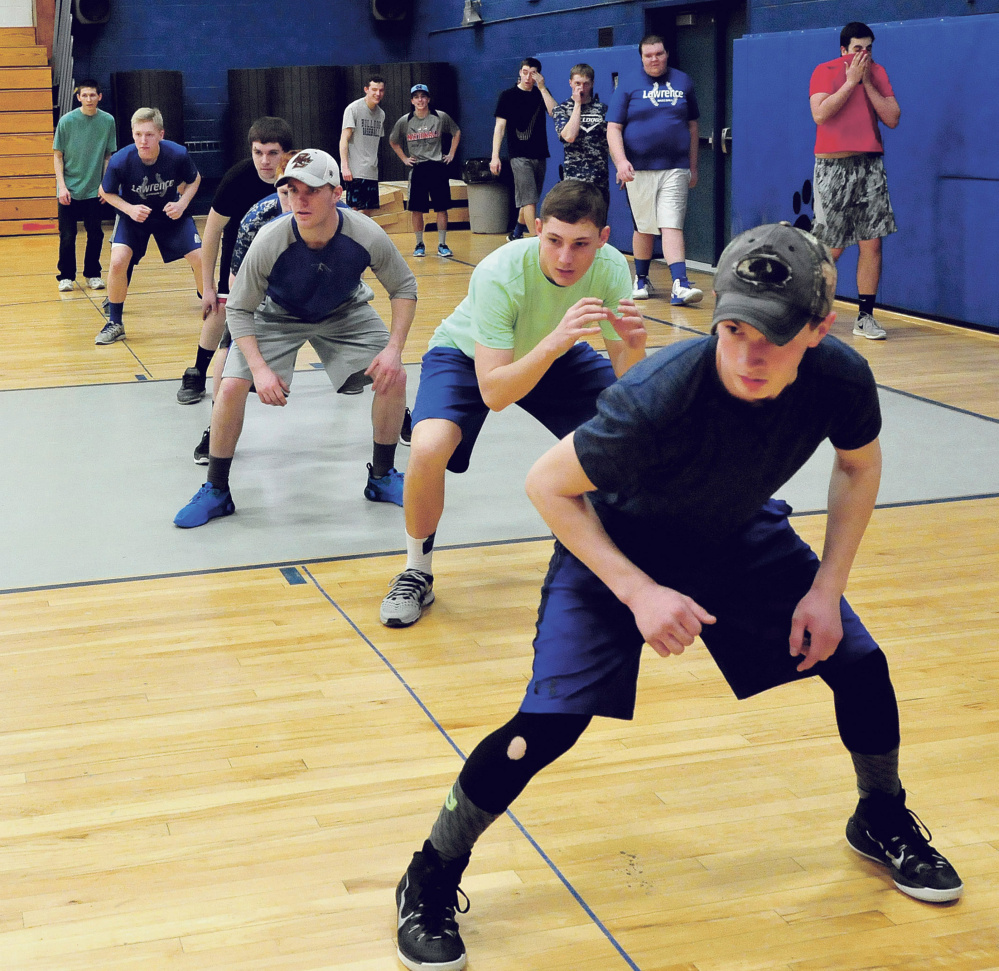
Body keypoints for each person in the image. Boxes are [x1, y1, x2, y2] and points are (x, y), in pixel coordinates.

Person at [392, 221, 964, 971]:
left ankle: (880, 814)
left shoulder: (840, 378)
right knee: (549, 723)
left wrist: (827, 588)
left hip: (735, 532)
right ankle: (430, 870)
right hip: (617, 542)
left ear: (819, 329)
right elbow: (546, 485)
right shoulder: (660, 392)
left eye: (774, 336)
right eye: (732, 329)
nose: (748, 355)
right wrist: (636, 592)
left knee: (858, 663)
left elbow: (857, 467)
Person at [379, 179, 647, 628]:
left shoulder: (612, 269)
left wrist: (635, 348)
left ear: (603, 239)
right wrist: (557, 341)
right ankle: (416, 571)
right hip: (470, 357)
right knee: (429, 448)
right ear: (537, 227)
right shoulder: (499, 272)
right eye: (554, 240)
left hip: (555, 353)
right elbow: (496, 393)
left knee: (633, 433)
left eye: (581, 244)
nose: (565, 257)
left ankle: (620, 557)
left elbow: (632, 390)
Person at [173, 149, 416, 528]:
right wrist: (260, 371)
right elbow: (237, 309)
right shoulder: (271, 238)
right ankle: (216, 490)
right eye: (291, 190)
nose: (299, 201)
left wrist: (394, 350)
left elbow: (403, 287)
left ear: (336, 193)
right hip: (277, 314)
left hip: (344, 311)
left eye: (311, 191)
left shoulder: (365, 233)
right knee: (233, 386)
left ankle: (382, 477)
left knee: (394, 375)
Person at [177, 116, 294, 405]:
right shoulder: (237, 178)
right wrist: (207, 287)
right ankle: (197, 372)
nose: (264, 161)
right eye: (258, 152)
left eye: (272, 153)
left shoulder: (297, 179)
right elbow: (213, 231)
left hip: (282, 257)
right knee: (221, 309)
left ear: (286, 154)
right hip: (239, 254)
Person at [191, 153, 296, 466]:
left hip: (318, 298)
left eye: (303, 191)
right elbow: (238, 283)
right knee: (229, 350)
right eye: (285, 193)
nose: (293, 201)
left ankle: (399, 414)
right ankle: (215, 426)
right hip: (266, 298)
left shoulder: (337, 217)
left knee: (379, 354)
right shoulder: (257, 218)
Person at [810, 22, 900, 341]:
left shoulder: (878, 73)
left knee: (872, 242)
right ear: (844, 50)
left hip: (870, 165)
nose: (864, 54)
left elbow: (892, 117)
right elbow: (820, 114)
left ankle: (865, 317)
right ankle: (808, 312)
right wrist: (850, 83)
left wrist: (867, 84)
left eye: (869, 48)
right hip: (833, 166)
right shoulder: (825, 71)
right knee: (831, 248)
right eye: (858, 48)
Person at [607, 34, 702, 306]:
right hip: (639, 170)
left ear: (666, 53)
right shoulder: (628, 84)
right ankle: (641, 277)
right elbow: (613, 127)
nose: (654, 60)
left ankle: (680, 284)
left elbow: (693, 127)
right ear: (641, 58)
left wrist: (693, 166)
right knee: (645, 227)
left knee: (671, 222)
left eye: (658, 54)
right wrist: (621, 161)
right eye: (648, 56)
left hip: (675, 167)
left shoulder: (683, 81)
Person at [95, 107, 203, 345]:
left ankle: (213, 309)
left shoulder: (177, 154)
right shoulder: (121, 160)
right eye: (138, 134)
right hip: (135, 217)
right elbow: (106, 192)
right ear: (132, 134)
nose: (143, 140)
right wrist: (129, 209)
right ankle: (115, 322)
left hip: (170, 214)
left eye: (149, 135)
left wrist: (182, 203)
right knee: (118, 260)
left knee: (200, 257)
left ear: (161, 134)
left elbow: (195, 179)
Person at [52, 78, 117, 293]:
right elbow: (58, 156)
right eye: (84, 95)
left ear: (100, 97)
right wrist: (62, 186)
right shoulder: (67, 121)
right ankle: (66, 276)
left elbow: (108, 155)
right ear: (78, 97)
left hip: (94, 189)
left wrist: (105, 186)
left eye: (93, 95)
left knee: (95, 233)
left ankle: (93, 274)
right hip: (69, 188)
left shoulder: (108, 121)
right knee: (68, 235)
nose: (89, 99)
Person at [389, 83, 461, 259]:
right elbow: (393, 141)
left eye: (423, 96)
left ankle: (442, 244)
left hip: (437, 166)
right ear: (412, 100)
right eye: (416, 97)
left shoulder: (440, 117)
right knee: (417, 210)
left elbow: (456, 132)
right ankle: (419, 244)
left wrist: (451, 153)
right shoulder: (405, 121)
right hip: (418, 168)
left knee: (441, 208)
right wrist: (405, 158)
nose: (420, 100)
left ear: (428, 99)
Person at [490, 57, 556, 241]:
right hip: (518, 156)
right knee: (529, 200)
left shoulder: (540, 93)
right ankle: (537, 242)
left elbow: (555, 113)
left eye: (533, 73)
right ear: (520, 72)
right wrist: (494, 156)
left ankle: (517, 233)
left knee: (529, 199)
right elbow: (499, 127)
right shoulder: (508, 96)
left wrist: (542, 88)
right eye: (525, 72)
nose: (528, 77)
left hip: (540, 154)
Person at [551, 63, 610, 204]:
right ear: (570, 83)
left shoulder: (603, 109)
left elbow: (611, 141)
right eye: (577, 83)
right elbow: (569, 136)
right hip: (573, 180)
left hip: (599, 180)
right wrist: (577, 104)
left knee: (598, 222)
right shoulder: (561, 110)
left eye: (586, 84)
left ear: (592, 84)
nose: (581, 88)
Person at [340, 75, 386, 212]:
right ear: (366, 89)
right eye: (374, 89)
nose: (378, 94)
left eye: (381, 90)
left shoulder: (381, 114)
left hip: (371, 171)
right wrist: (345, 167)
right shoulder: (353, 109)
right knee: (355, 211)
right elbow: (344, 139)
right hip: (356, 171)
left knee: (368, 211)